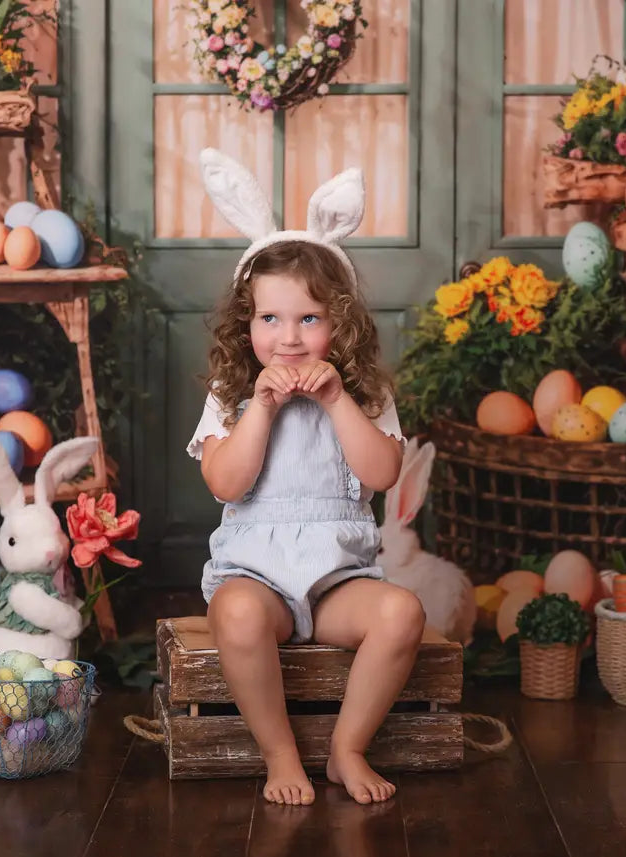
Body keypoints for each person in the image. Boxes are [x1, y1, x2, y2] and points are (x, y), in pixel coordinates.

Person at [185, 149, 426, 807]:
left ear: (339, 324)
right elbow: (226, 484)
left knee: (403, 613)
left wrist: (336, 401)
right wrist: (260, 407)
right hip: (258, 577)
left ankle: (347, 747)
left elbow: (382, 470)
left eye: (308, 319)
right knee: (233, 613)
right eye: (271, 319)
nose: (288, 338)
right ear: (248, 323)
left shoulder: (364, 391)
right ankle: (281, 750)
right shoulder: (233, 394)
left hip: (337, 582)